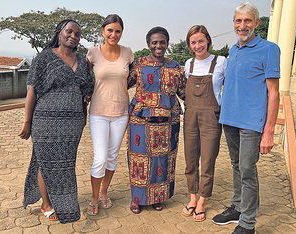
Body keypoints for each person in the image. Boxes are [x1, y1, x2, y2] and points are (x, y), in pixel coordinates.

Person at [211, 2, 280, 234]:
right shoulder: (233, 49)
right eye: (238, 21)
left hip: (252, 123)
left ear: (257, 23)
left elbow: (274, 92)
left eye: (247, 21)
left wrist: (269, 131)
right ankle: (238, 207)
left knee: (248, 170)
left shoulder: (270, 49)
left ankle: (248, 224)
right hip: (230, 119)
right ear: (234, 24)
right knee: (236, 165)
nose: (243, 25)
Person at [18, 19, 94, 223]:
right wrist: (27, 121)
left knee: (66, 164)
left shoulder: (81, 59)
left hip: (73, 123)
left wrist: (84, 115)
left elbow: (86, 91)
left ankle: (62, 199)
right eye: (69, 31)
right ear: (59, 32)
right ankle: (46, 203)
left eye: (77, 34)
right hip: (45, 120)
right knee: (46, 162)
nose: (73, 36)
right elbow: (31, 90)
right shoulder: (44, 58)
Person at [127, 26, 186, 214]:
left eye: (162, 42)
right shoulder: (139, 64)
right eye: (154, 42)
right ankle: (138, 199)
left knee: (163, 159)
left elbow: (184, 91)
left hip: (168, 121)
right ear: (148, 44)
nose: (158, 46)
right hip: (140, 120)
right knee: (139, 159)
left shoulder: (175, 66)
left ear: (167, 43)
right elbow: (122, 82)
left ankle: (157, 198)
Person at [86, 14, 134, 216]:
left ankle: (104, 191)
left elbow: (132, 79)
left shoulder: (128, 53)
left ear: (121, 32)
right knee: (101, 157)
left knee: (113, 156)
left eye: (117, 31)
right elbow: (86, 79)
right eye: (110, 30)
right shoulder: (92, 53)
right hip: (98, 112)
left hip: (121, 112)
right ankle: (94, 197)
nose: (113, 34)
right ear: (102, 31)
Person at [181, 25, 227, 222]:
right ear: (189, 45)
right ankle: (192, 197)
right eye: (193, 42)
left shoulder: (221, 62)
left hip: (211, 117)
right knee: (190, 159)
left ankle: (202, 201)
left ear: (208, 40)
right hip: (190, 116)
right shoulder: (188, 64)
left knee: (207, 161)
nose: (198, 45)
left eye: (201, 41)